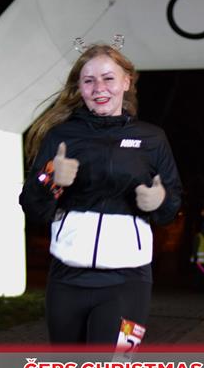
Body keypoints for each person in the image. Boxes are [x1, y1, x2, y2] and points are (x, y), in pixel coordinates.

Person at [19, 41, 182, 345]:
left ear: (126, 82)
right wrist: (52, 179)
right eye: (89, 80)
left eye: (108, 78)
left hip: (129, 281)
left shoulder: (152, 139)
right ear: (79, 87)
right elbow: (32, 204)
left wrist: (159, 200)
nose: (99, 88)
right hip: (67, 280)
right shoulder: (61, 136)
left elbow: (171, 205)